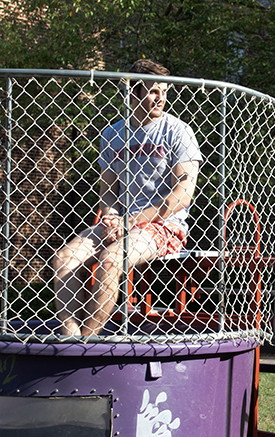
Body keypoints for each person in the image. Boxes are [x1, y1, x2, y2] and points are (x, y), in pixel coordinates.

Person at [54, 59, 202, 336]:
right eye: (153, 91)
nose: (160, 98)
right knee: (64, 258)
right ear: (133, 93)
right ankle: (70, 337)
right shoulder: (112, 134)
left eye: (164, 91)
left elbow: (182, 195)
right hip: (121, 221)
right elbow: (108, 190)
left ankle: (88, 341)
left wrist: (131, 221)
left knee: (111, 259)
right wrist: (110, 215)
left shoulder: (178, 131)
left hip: (165, 225)